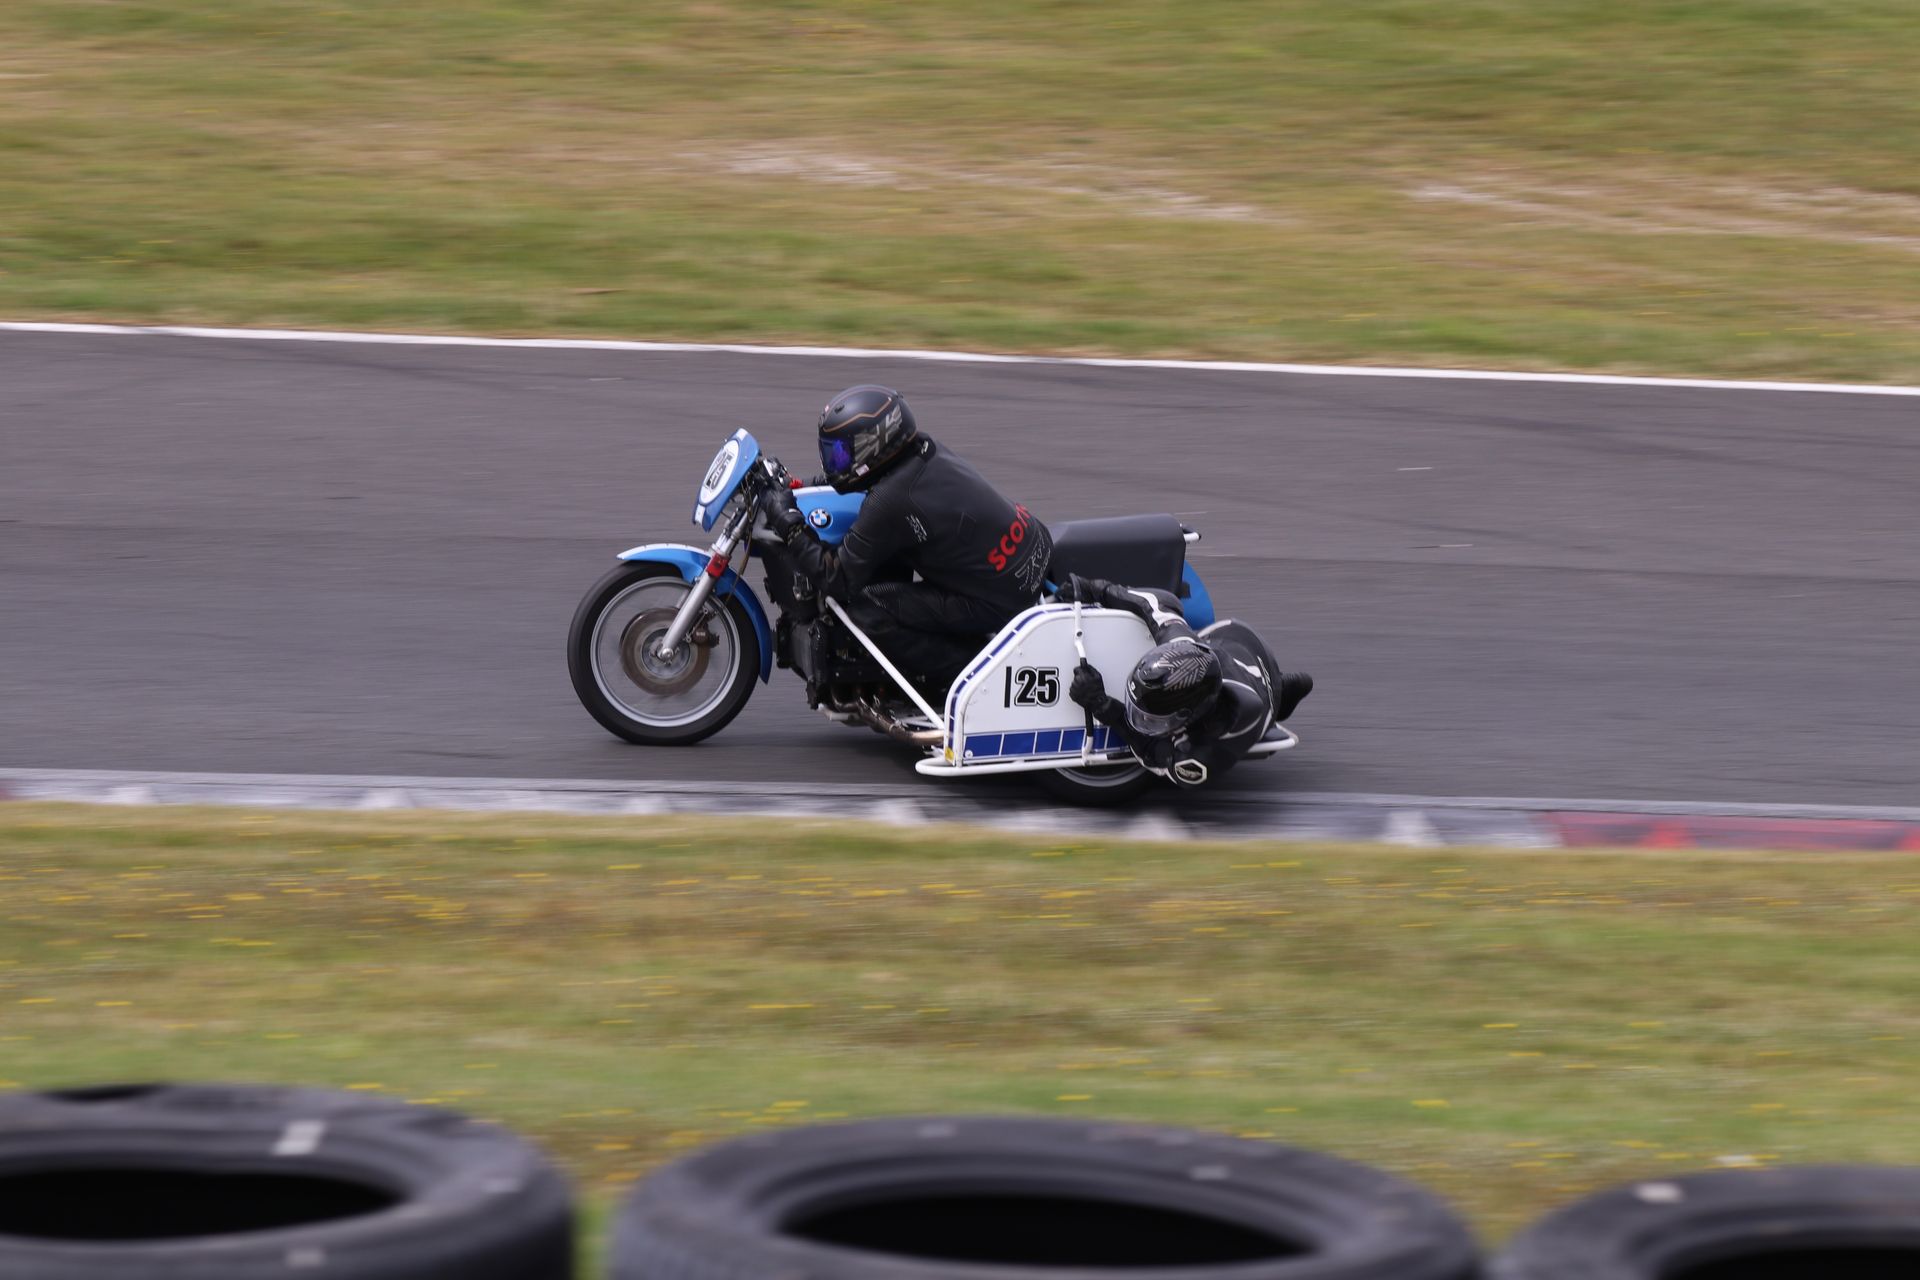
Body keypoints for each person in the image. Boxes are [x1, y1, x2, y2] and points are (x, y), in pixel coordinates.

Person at [755, 385, 1053, 688]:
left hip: (1000, 598)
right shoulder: (921, 449)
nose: (835, 463)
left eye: (841, 453)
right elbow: (851, 481)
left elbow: (836, 579)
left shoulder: (890, 500)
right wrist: (794, 486)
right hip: (1029, 550)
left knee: (866, 611)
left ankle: (972, 675)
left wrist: (789, 522)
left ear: (873, 444)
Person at [1061, 575, 1312, 788]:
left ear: (1192, 715)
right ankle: (1285, 686)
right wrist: (1095, 588)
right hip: (1233, 635)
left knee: (1277, 695)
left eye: (1154, 719)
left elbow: (1155, 756)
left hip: (1257, 691)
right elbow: (1157, 603)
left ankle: (1283, 692)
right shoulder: (1182, 645)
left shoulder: (1203, 752)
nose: (1144, 721)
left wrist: (1102, 706)